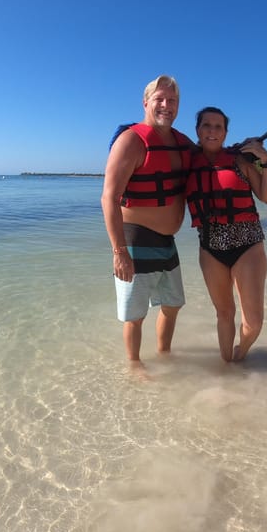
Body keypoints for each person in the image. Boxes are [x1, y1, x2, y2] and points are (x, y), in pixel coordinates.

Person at [101, 75, 194, 364]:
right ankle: (134, 366)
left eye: (173, 101)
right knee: (135, 315)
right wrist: (119, 252)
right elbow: (109, 198)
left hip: (167, 241)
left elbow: (212, 157)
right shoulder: (132, 141)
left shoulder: (182, 143)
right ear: (146, 103)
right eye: (160, 99)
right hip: (136, 238)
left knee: (172, 304)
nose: (167, 105)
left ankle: (164, 355)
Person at [185, 107, 267, 362]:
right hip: (210, 247)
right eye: (206, 125)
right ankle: (227, 369)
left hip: (248, 245)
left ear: (225, 133)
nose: (212, 131)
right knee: (224, 314)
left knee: (253, 323)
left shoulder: (239, 161)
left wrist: (265, 161)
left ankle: (241, 353)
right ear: (197, 130)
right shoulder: (188, 164)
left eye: (218, 126)